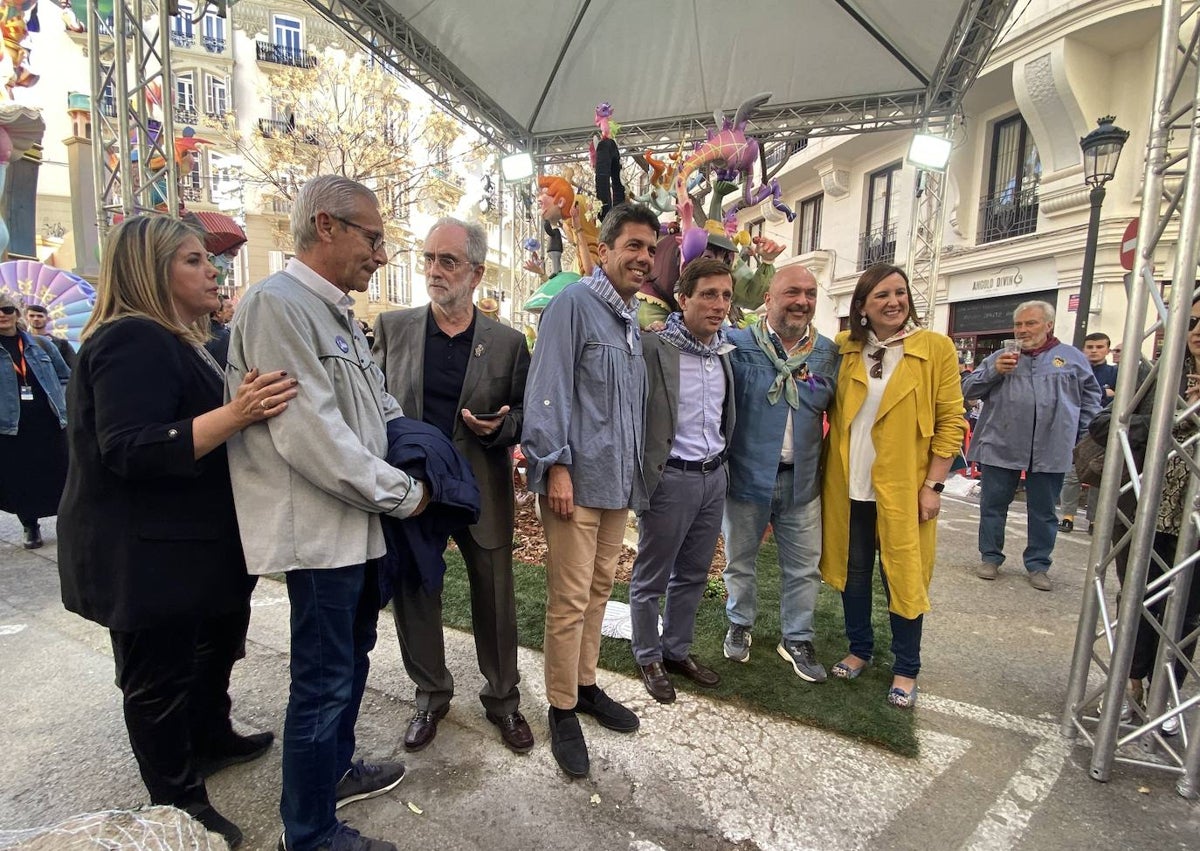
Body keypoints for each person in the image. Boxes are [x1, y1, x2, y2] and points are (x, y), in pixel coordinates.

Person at [56, 216, 297, 848]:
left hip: (189, 545)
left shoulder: (179, 338)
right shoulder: (128, 339)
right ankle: (178, 800)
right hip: (143, 554)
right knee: (157, 680)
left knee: (211, 650)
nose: (212, 270)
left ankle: (211, 736)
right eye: (193, 261)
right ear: (149, 271)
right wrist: (236, 413)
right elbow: (131, 448)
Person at [226, 175, 428, 851]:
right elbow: (312, 435)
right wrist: (405, 493)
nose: (381, 252)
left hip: (356, 530)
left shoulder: (336, 312)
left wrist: (423, 454)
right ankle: (308, 833)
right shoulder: (275, 306)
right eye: (373, 236)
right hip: (315, 536)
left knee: (352, 664)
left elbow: (375, 408)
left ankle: (334, 770)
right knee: (322, 683)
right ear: (326, 226)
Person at [372, 217, 533, 755]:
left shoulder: (508, 343)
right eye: (429, 259)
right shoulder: (392, 328)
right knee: (416, 593)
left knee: (495, 598)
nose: (434, 271)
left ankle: (504, 701)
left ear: (477, 272)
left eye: (448, 261)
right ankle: (431, 694)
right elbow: (370, 404)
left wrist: (502, 427)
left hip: (480, 488)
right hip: (415, 493)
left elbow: (529, 415)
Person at [522, 202, 660, 778]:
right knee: (569, 600)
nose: (643, 258)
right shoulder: (573, 306)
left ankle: (584, 686)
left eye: (651, 249)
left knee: (601, 591)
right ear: (603, 250)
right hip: (574, 485)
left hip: (615, 485)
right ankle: (560, 709)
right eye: (632, 245)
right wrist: (554, 466)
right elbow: (548, 388)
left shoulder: (630, 319)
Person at [819, 264, 966, 708]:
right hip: (849, 486)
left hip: (904, 489)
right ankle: (859, 649)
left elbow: (950, 422)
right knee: (854, 574)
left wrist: (933, 487)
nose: (894, 302)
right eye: (882, 295)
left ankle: (907, 667)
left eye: (900, 293)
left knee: (904, 576)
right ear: (861, 306)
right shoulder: (844, 349)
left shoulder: (935, 349)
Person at [720, 264, 837, 682]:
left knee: (804, 567)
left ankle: (797, 637)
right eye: (792, 292)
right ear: (768, 298)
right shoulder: (736, 345)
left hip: (801, 480)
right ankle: (740, 623)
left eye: (809, 293)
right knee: (739, 560)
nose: (802, 301)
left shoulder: (827, 354)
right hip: (746, 475)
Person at [630, 258, 735, 703]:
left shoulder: (726, 350)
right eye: (709, 294)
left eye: (726, 296)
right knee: (652, 576)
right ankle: (647, 654)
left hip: (714, 478)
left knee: (693, 574)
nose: (719, 304)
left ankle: (676, 650)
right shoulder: (653, 347)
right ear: (683, 298)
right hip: (670, 479)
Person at [963, 300, 1101, 591]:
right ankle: (990, 557)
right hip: (1001, 444)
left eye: (1031, 323)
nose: (1023, 330)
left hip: (1051, 447)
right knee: (993, 504)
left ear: (1048, 325)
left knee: (1044, 510)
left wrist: (1081, 437)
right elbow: (968, 390)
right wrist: (993, 372)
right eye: (1018, 325)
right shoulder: (1001, 356)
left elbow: (1090, 400)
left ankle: (1038, 565)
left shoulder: (1071, 358)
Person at [0, 292, 69, 549]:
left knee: (61, 474)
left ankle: (68, 523)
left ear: (17, 314)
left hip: (48, 421)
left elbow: (65, 376)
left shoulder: (41, 345)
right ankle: (30, 526)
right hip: (12, 426)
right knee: (21, 478)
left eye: (7, 309)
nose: (2, 315)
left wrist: (62, 405)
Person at [1058, 331, 1119, 533]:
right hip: (1075, 429)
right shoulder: (1074, 370)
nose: (1094, 351)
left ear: (1107, 350)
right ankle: (1068, 516)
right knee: (1071, 474)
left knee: (1098, 475)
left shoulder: (1115, 372)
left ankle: (1094, 520)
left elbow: (1124, 397)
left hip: (1104, 432)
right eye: (1090, 347)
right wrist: (1105, 392)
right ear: (1083, 349)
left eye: (1099, 347)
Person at [24, 303, 77, 370]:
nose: (36, 319)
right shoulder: (22, 341)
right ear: (26, 318)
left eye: (40, 316)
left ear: (48, 319)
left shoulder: (62, 344)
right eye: (32, 316)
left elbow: (74, 367)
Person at [205, 294, 232, 368]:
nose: (233, 311)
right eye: (229, 307)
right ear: (218, 312)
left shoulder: (202, 332)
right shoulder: (223, 336)